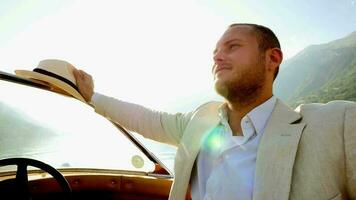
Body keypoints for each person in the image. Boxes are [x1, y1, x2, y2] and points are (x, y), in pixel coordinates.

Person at [73, 23, 356, 200]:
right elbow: (147, 119)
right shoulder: (199, 121)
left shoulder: (334, 124)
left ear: (272, 58)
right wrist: (91, 96)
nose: (218, 57)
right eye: (215, 53)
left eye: (232, 47)